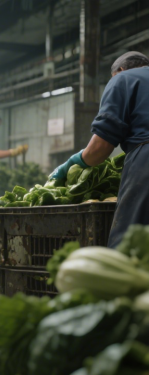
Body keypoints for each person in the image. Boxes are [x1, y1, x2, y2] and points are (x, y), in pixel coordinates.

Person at [49, 51, 149, 247]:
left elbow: (100, 148)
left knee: (129, 245)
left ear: (119, 70)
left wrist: (73, 162)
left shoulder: (123, 79)